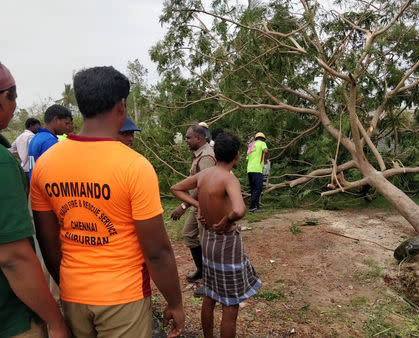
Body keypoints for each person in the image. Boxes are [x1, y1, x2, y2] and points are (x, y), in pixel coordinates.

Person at [30, 66, 184, 337]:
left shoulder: (46, 164)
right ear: (121, 106)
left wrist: (68, 284)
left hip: (73, 293)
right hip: (123, 297)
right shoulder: (134, 166)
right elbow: (157, 251)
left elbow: (48, 241)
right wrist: (175, 302)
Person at [0, 62, 69, 337]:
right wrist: (55, 320)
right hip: (11, 318)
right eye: (13, 96)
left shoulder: (30, 141)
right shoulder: (47, 144)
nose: (15, 104)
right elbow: (14, 257)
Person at [171, 132, 261, 338]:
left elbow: (175, 188)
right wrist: (228, 219)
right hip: (227, 243)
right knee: (230, 304)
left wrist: (198, 205)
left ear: (217, 153)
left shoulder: (205, 175)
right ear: (237, 156)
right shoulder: (230, 179)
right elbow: (239, 210)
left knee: (209, 296)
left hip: (209, 241)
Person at [170, 124, 216, 297]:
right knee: (189, 234)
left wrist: (183, 205)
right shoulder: (198, 154)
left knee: (206, 242)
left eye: (189, 137)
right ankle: (201, 270)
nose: (186, 140)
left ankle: (211, 283)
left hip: (204, 204)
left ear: (200, 138)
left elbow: (203, 185)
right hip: (195, 203)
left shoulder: (206, 156)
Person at [28, 104, 72, 179]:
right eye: (66, 123)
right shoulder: (50, 141)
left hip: (35, 185)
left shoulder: (36, 137)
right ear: (56, 120)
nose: (67, 127)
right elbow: (55, 172)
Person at [9, 117, 41, 182]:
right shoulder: (32, 137)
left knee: (26, 190)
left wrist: (21, 156)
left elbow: (10, 150)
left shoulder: (19, 137)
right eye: (37, 126)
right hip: (32, 169)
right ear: (31, 126)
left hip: (23, 169)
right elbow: (35, 150)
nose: (39, 128)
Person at [246, 132, 268, 212]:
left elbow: (246, 160)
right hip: (257, 169)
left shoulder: (251, 146)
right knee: (258, 188)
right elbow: (266, 151)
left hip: (249, 170)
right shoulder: (262, 143)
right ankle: (252, 207)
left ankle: (256, 206)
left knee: (253, 189)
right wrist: (266, 159)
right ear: (263, 139)